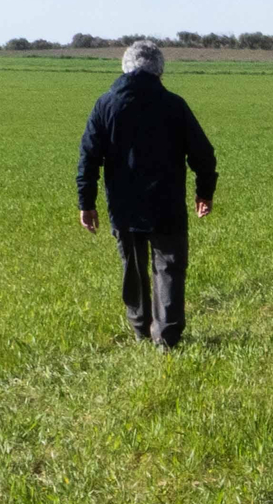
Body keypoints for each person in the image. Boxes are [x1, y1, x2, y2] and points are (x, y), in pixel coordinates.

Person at [75, 39, 216, 349]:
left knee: (134, 268)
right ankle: (166, 336)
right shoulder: (174, 105)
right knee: (169, 268)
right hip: (166, 205)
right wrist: (204, 192)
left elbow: (88, 157)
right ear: (160, 71)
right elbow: (203, 154)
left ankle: (140, 327)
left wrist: (87, 202)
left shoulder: (105, 104)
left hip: (124, 206)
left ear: (125, 68)